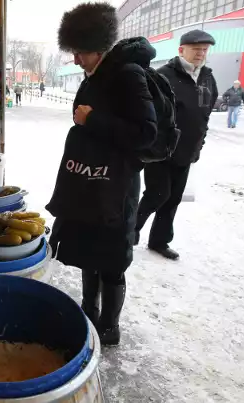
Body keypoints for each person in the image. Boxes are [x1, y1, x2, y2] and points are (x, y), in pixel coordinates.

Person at [47, 2, 158, 346]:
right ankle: (87, 310)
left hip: (116, 187)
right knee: (88, 250)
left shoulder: (128, 74)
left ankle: (109, 325)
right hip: (90, 181)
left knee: (111, 257)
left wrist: (92, 119)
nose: (76, 59)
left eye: (79, 52)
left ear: (98, 46)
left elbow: (146, 132)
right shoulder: (95, 74)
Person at [135, 29, 218, 261]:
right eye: (196, 49)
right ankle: (130, 231)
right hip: (160, 151)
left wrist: (198, 145)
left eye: (204, 49)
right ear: (181, 50)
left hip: (187, 151)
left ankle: (159, 241)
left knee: (173, 198)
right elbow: (148, 114)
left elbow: (205, 115)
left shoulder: (208, 79)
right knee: (157, 194)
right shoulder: (163, 76)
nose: (201, 53)